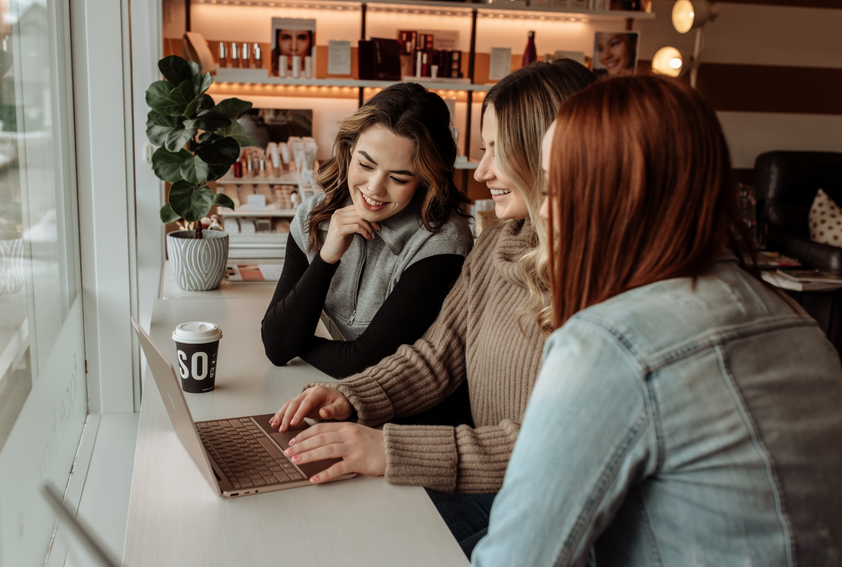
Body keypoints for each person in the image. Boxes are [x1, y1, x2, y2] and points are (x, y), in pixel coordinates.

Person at [473, 75, 842, 566]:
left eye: (556, 188)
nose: (543, 209)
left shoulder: (608, 345)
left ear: (620, 197)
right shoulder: (801, 325)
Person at [268, 59, 597, 557]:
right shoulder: (499, 243)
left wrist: (388, 448)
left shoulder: (599, 278)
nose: (482, 170)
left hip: (540, 506)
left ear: (553, 155)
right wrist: (350, 397)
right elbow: (436, 355)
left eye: (496, 151)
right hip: (491, 481)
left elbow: (559, 449)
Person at [262, 82, 473, 391]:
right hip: (346, 396)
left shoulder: (441, 242)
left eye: (399, 177)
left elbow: (367, 363)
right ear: (349, 149)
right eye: (365, 164)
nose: (374, 188)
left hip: (411, 414)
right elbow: (277, 348)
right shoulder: (314, 216)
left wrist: (298, 340)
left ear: (427, 179)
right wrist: (326, 258)